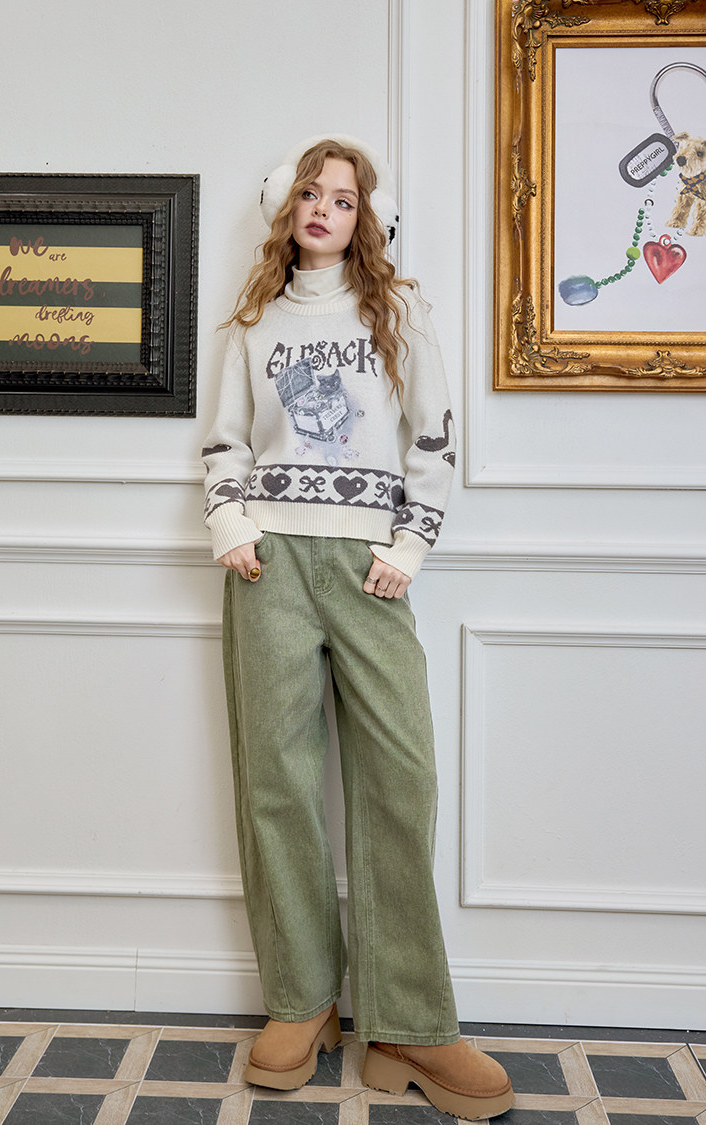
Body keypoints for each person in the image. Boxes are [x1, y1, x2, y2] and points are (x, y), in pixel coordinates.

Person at [202, 135, 513, 1120]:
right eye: (311, 193)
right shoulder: (253, 320)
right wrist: (231, 525)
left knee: (400, 779)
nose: (325, 209)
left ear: (366, 217)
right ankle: (302, 1002)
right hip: (269, 564)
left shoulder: (399, 311)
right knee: (277, 782)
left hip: (372, 567)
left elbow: (435, 438)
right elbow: (224, 440)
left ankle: (407, 1021)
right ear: (287, 209)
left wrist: (410, 546)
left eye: (344, 198)